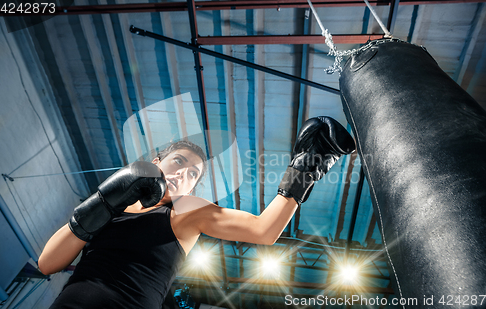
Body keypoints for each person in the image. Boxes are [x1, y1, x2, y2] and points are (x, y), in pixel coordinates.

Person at [38, 116, 355, 309]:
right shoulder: (112, 207)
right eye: (178, 162)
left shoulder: (185, 211)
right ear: (157, 160)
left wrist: (305, 167)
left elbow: (264, 230)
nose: (183, 175)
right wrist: (104, 201)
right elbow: (48, 263)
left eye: (193, 175)